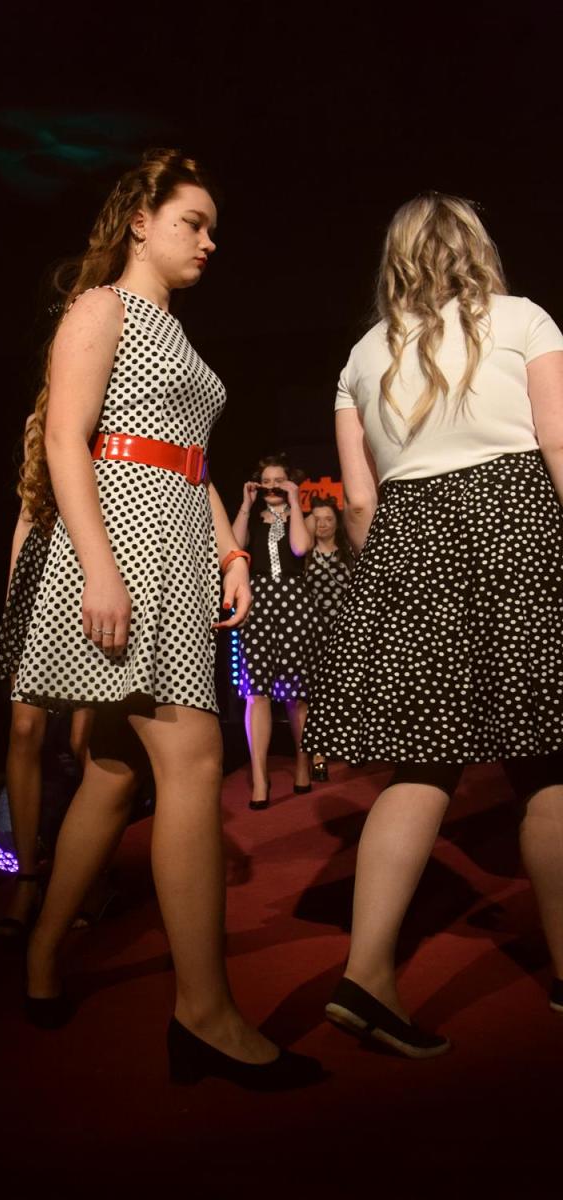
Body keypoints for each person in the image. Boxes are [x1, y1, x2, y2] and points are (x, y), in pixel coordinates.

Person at [12, 148, 324, 1089]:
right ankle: (203, 1012)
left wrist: (231, 552)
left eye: (213, 227)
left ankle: (40, 957)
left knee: (113, 771)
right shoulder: (100, 307)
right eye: (193, 221)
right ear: (140, 221)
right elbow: (67, 439)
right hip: (123, 546)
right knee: (191, 757)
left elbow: (189, 459)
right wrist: (98, 569)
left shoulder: (176, 334)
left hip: (180, 540)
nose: (209, 240)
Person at [303, 192, 563, 1055]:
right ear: (476, 248)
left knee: (422, 763)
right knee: (548, 761)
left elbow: (360, 500)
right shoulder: (524, 320)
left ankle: (366, 977)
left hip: (410, 543)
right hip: (519, 530)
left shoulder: (362, 353)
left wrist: (399, 578)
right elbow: (559, 444)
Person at [0, 417, 95, 944]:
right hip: (37, 577)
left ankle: (81, 878)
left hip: (90, 570)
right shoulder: (42, 420)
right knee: (25, 730)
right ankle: (28, 881)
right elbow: (26, 517)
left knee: (83, 743)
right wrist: (13, 606)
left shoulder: (112, 411)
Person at [230, 455, 324, 807]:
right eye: (265, 480)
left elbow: (300, 547)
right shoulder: (252, 518)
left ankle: (302, 764)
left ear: (289, 483)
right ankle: (259, 778)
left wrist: (295, 501)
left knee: (296, 694)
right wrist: (246, 504)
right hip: (257, 604)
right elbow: (234, 549)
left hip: (295, 604)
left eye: (278, 480)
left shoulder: (304, 516)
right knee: (256, 692)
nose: (271, 486)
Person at [303, 496, 355, 781]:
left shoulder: (349, 553)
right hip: (313, 633)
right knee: (316, 694)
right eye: (317, 519)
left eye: (328, 519)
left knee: (346, 691)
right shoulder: (304, 556)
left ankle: (350, 745)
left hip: (345, 632)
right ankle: (319, 756)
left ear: (337, 523)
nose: (322, 524)